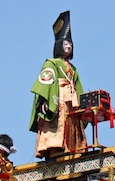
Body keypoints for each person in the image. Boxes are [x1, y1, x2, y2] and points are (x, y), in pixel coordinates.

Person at [30, 11, 86, 159]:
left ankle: (72, 148)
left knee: (73, 120)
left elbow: (79, 87)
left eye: (71, 44)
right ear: (59, 45)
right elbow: (45, 82)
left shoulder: (73, 69)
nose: (68, 47)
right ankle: (54, 148)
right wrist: (43, 100)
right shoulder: (51, 63)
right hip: (58, 98)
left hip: (72, 100)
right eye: (66, 44)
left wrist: (83, 103)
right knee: (59, 121)